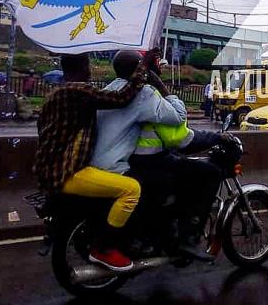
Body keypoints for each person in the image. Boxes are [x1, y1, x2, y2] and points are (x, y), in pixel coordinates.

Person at [95, 49, 224, 260]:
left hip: (114, 161)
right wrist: (159, 85)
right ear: (144, 70)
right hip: (134, 163)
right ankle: (187, 239)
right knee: (208, 173)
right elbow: (178, 119)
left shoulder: (110, 89)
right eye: (155, 65)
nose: (159, 68)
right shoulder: (144, 93)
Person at [35, 53, 149, 272]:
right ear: (83, 68)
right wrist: (143, 70)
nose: (90, 71)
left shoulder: (54, 94)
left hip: (49, 170)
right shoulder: (77, 90)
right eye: (88, 66)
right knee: (131, 190)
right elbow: (121, 98)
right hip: (68, 172)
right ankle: (104, 248)